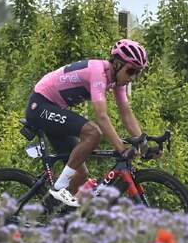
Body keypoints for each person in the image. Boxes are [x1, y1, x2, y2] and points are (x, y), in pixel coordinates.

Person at [25, 39, 152, 207]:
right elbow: (102, 116)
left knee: (80, 174)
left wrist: (144, 145)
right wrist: (121, 148)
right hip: (40, 105)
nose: (133, 77)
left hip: (55, 109)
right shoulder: (98, 72)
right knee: (93, 133)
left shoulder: (116, 80)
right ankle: (58, 188)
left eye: (138, 73)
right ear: (118, 64)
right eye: (131, 71)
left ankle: (55, 216)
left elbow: (126, 113)